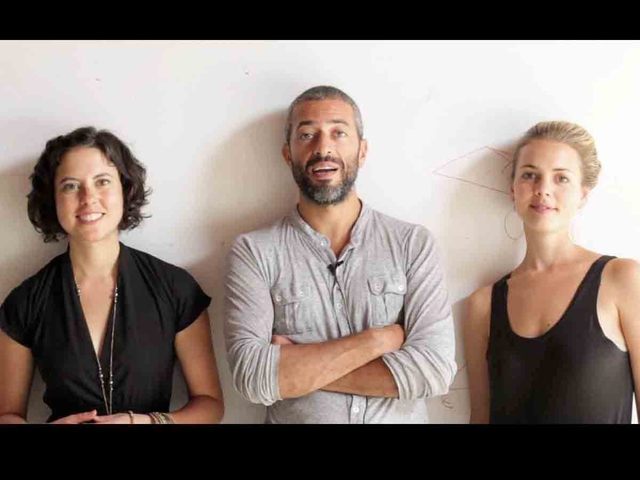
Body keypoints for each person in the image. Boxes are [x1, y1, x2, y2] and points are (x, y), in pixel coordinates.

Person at [224, 85, 456, 423]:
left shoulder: (412, 244)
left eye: (339, 133)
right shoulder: (254, 252)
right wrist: (378, 340)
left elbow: (433, 371)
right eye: (307, 135)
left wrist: (297, 370)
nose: (323, 148)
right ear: (288, 154)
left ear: (362, 151)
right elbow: (253, 378)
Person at [0, 127, 224, 424]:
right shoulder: (25, 302)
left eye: (102, 181)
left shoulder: (175, 288)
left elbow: (210, 406)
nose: (88, 198)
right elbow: (6, 415)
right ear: (53, 199)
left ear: (124, 189)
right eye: (70, 186)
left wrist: (145, 422)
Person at [463, 121, 640, 423]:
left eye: (561, 178)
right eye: (530, 175)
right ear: (513, 190)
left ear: (583, 194)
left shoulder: (622, 279)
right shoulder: (483, 305)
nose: (543, 189)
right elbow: (480, 418)